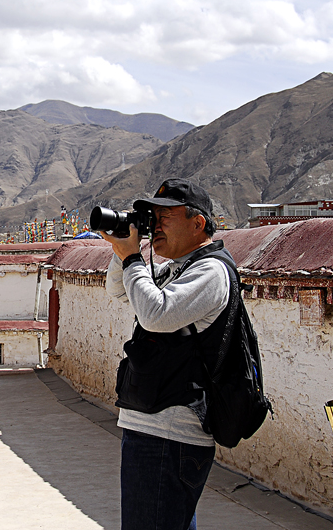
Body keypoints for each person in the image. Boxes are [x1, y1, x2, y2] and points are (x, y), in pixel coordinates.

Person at [101, 178, 231, 530]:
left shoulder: (210, 271)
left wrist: (132, 257)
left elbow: (155, 315)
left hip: (170, 434)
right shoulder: (179, 269)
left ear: (197, 223)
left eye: (164, 218)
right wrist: (123, 249)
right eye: (152, 219)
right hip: (155, 427)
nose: (155, 226)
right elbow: (119, 290)